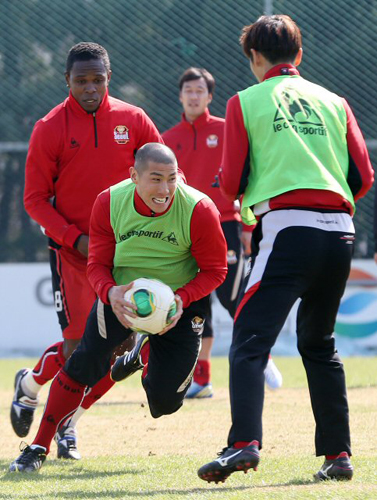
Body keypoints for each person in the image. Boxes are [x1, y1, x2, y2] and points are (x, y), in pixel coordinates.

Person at [198, 15, 374, 484]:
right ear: (299, 55)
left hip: (286, 230)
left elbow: (232, 182)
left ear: (255, 58)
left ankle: (243, 445)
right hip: (340, 233)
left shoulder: (244, 101)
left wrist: (252, 195)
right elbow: (363, 177)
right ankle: (337, 455)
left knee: (249, 339)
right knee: (319, 345)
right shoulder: (335, 101)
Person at [9, 142, 228, 473]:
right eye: (155, 179)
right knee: (81, 363)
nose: (165, 189)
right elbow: (96, 263)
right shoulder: (109, 201)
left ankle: (140, 355)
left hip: (178, 308)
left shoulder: (199, 208)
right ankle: (38, 446)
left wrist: (180, 300)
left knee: (164, 404)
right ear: (134, 176)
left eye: (172, 178)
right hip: (121, 299)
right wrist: (110, 293)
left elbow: (216, 270)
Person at [11, 42, 163, 460]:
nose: (90, 88)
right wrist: (74, 238)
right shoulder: (49, 127)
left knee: (119, 349)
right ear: (67, 81)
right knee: (78, 348)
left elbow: (165, 174)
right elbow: (35, 199)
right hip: (73, 254)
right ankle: (29, 384)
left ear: (108, 78)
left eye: (98, 79)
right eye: (81, 81)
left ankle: (68, 426)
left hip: (127, 255)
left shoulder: (134, 120)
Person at [162, 67, 282, 398]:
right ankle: (202, 380)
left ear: (210, 96)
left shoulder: (227, 129)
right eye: (188, 89)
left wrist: (247, 225)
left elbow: (248, 176)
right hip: (183, 229)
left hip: (225, 223)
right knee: (196, 304)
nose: (194, 95)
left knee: (234, 296)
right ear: (180, 95)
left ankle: (262, 353)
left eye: (200, 90)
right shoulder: (167, 140)